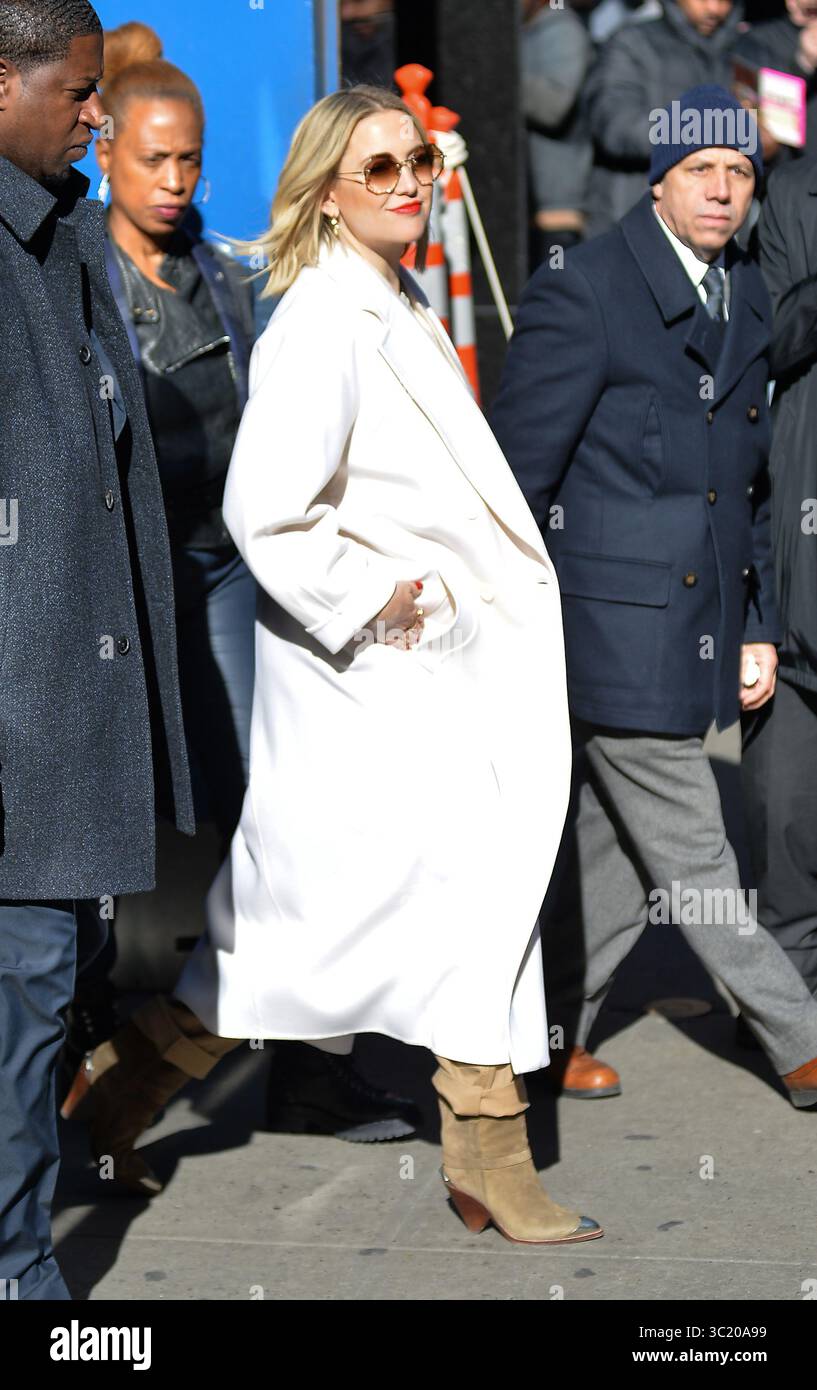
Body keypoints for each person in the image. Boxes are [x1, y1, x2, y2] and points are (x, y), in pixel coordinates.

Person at [64, 84, 602, 1246]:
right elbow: (269, 510)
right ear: (325, 189)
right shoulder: (320, 320)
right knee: (322, 929)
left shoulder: (386, 295)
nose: (409, 183)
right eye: (379, 170)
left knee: (367, 925)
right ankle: (478, 1149)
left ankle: (477, 1146)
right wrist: (381, 603)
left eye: (417, 162)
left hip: (420, 685)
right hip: (375, 685)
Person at [64, 21, 422, 1146]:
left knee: (280, 819)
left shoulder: (230, 275)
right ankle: (86, 1066)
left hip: (231, 576)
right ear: (105, 152)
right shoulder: (69, 274)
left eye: (192, 160)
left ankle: (293, 1065)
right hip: (116, 587)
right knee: (98, 832)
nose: (175, 183)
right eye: (152, 161)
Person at [492, 85, 817, 1110]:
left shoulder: (744, 296)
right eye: (700, 172)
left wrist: (755, 623)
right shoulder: (585, 290)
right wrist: (510, 638)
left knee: (618, 857)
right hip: (606, 629)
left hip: (698, 629)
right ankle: (801, 1040)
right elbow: (513, 479)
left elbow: (748, 489)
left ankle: (536, 1043)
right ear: (658, 180)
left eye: (739, 173)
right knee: (694, 860)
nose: (723, 191)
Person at [0, 0, 194, 1301]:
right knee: (17, 1018)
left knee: (33, 1016)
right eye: (77, 91)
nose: (95, 112)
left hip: (66, 718)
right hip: (20, 732)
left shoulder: (62, 233)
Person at [740, 155, 817, 998]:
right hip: (798, 564)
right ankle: (788, 1014)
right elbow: (763, 335)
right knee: (787, 815)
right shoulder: (792, 192)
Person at [584, 0, 747, 236]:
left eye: (725, 0)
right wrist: (706, 129)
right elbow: (616, 126)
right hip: (637, 219)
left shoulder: (745, 50)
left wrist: (764, 143)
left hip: (718, 225)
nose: (714, 9)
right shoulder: (633, 42)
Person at [522, 0, 593, 267]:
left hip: (558, 209)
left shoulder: (562, 29)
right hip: (528, 205)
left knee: (556, 296)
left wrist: (500, 73)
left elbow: (554, 106)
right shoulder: (525, 30)